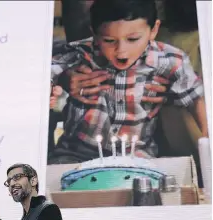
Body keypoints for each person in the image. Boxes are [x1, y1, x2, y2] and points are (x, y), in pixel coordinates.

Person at [48, 0, 208, 165]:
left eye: (133, 39)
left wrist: (207, 136)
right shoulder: (80, 54)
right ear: (94, 34)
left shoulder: (169, 61)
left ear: (154, 30)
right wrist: (54, 86)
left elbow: (195, 97)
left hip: (137, 154)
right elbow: (42, 75)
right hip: (75, 153)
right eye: (109, 40)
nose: (121, 50)